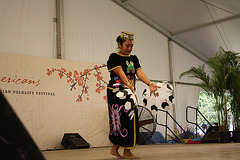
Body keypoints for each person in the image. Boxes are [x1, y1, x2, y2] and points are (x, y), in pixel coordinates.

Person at [107, 31, 159, 159]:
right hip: (116, 92)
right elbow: (120, 72)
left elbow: (139, 73)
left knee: (131, 119)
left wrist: (150, 83)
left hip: (129, 93)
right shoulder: (114, 57)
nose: (130, 48)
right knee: (121, 120)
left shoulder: (133, 59)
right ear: (120, 44)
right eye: (127, 46)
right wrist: (128, 85)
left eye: (131, 46)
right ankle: (126, 151)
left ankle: (118, 149)